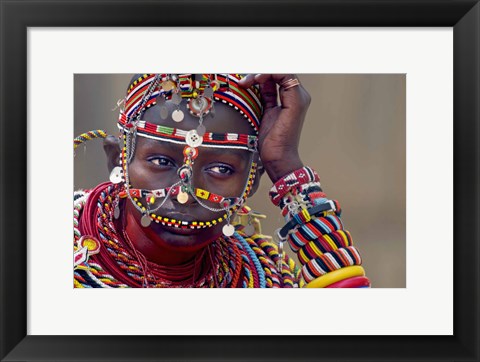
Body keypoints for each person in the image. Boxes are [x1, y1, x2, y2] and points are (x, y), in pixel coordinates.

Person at [73, 73, 370, 288]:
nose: (184, 194)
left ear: (252, 179)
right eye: (161, 162)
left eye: (221, 170)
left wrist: (287, 170)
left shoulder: (266, 277)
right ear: (118, 159)